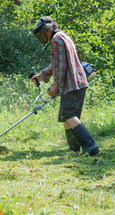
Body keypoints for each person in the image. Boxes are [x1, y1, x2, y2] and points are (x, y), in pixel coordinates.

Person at [31, 16, 99, 156]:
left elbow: (61, 66)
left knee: (68, 114)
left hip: (72, 83)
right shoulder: (62, 36)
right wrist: (42, 75)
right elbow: (57, 63)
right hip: (76, 82)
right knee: (66, 115)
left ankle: (90, 145)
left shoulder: (56, 40)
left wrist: (56, 85)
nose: (41, 37)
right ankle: (73, 148)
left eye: (40, 33)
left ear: (46, 30)